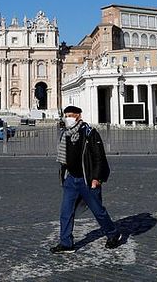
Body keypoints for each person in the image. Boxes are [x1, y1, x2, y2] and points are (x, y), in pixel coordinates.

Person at [50, 105, 122, 254]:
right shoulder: (66, 134)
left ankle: (113, 233)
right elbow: (64, 159)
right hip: (71, 179)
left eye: (70, 115)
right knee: (66, 212)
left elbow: (98, 157)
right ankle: (66, 243)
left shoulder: (89, 133)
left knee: (98, 211)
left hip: (87, 179)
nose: (67, 118)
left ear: (78, 116)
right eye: (66, 115)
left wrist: (96, 178)